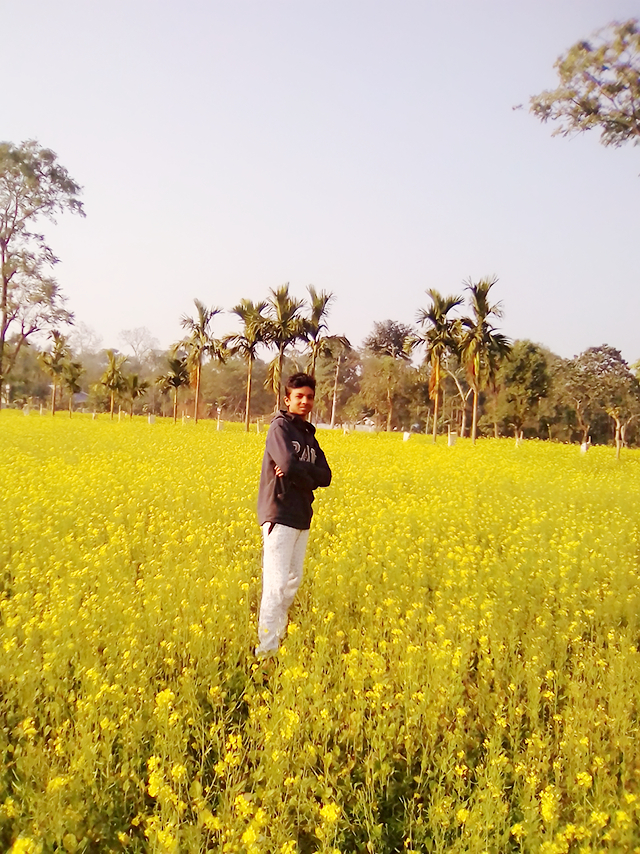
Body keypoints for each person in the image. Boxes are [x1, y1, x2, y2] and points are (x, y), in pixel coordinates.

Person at [256, 372, 332, 656]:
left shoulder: (309, 435)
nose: (305, 401)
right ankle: (266, 651)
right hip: (280, 512)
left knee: (292, 582)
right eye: (299, 396)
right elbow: (286, 463)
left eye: (309, 397)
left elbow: (326, 476)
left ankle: (280, 635)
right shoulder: (280, 428)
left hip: (302, 515)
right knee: (275, 586)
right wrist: (301, 472)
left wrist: (303, 475)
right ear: (287, 399)